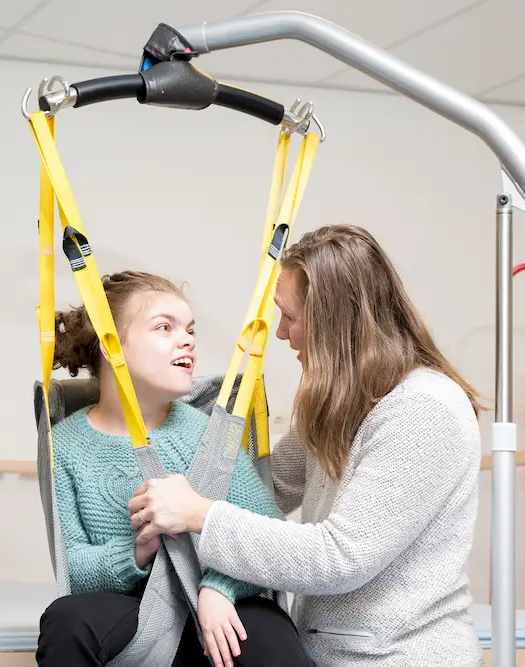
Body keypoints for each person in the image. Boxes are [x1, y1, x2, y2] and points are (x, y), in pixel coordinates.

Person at [128, 225, 486, 667]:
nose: (281, 333)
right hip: (326, 653)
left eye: (290, 317)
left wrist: (199, 514)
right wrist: (163, 415)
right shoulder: (340, 405)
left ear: (335, 321)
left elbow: (338, 558)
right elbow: (263, 488)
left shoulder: (423, 409)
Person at [35, 270, 312, 667]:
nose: (187, 340)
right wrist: (136, 550)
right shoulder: (64, 446)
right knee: (66, 620)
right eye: (164, 327)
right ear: (110, 345)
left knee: (272, 640)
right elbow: (74, 568)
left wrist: (220, 588)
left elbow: (268, 535)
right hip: (134, 614)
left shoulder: (210, 433)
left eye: (190, 330)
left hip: (218, 610)